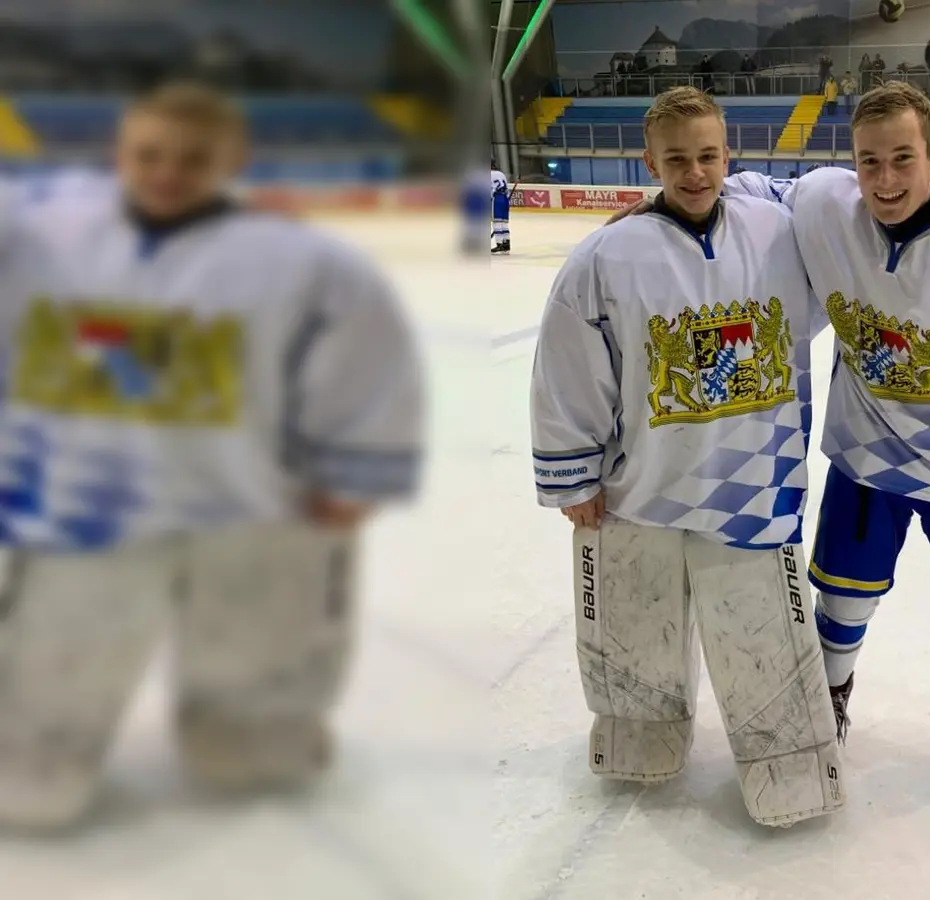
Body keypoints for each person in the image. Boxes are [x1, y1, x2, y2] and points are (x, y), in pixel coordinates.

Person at [0, 81, 424, 831]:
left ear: (234, 158)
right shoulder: (44, 236)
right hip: (84, 502)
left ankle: (252, 735)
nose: (169, 170)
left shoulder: (298, 263)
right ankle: (38, 750)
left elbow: (363, 364)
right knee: (51, 670)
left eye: (194, 157)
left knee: (256, 661)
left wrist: (356, 471)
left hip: (246, 497)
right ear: (120, 152)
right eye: (150, 153)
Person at [720, 82, 930, 794]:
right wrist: (660, 207)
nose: (885, 180)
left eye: (903, 159)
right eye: (869, 162)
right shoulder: (824, 204)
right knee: (840, 598)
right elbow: (750, 186)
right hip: (865, 459)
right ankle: (831, 698)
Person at [529, 86, 843, 827]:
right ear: (650, 161)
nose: (694, 172)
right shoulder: (607, 255)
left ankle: (790, 764)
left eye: (709, 156)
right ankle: (641, 735)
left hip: (754, 495)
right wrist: (573, 473)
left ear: (728, 157)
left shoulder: (779, 232)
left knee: (765, 642)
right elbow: (570, 368)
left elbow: (842, 223)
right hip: (644, 488)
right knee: (636, 634)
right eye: (677, 159)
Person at [491, 163, 511, 253]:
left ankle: (499, 244)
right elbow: (507, 189)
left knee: (496, 222)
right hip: (505, 199)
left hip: (496, 199)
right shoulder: (501, 174)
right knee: (504, 223)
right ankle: (506, 244)